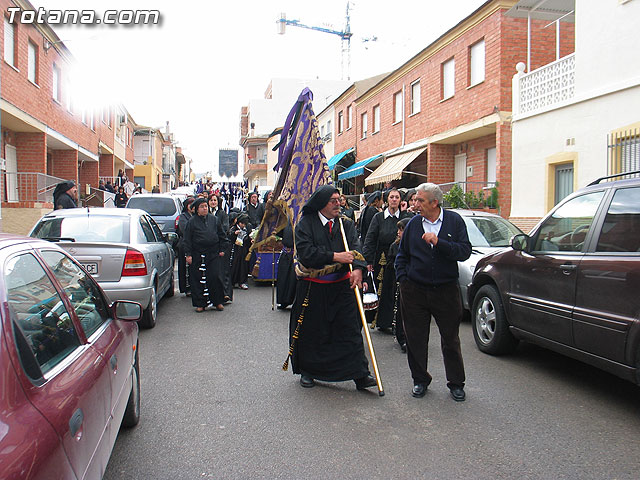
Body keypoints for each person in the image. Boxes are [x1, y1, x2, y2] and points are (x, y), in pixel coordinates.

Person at [289, 185, 376, 391]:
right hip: (314, 288)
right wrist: (335, 256)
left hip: (342, 287)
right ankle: (308, 371)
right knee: (314, 332)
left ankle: (359, 373)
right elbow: (306, 254)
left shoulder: (345, 224)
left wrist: (357, 269)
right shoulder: (305, 225)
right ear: (321, 204)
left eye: (339, 200)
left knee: (350, 330)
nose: (339, 204)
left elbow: (356, 248)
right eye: (333, 201)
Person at [395, 183, 471, 401]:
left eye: (420, 200)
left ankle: (456, 383)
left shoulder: (454, 222)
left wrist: (440, 243)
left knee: (450, 338)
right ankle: (420, 380)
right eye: (415, 199)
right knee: (416, 338)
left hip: (446, 291)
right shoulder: (412, 225)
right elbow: (402, 256)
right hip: (415, 291)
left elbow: (464, 251)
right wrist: (403, 280)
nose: (415, 204)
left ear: (434, 202)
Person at [363, 188, 410, 333]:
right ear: (387, 199)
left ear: (400, 200)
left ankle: (396, 322)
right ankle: (382, 321)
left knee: (395, 291)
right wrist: (368, 260)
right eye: (391, 197)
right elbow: (370, 239)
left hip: (400, 258)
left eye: (397, 197)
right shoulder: (378, 217)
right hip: (381, 259)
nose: (394, 200)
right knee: (381, 290)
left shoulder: (405, 217)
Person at [183, 198, 229, 312]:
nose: (205, 208)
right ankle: (200, 303)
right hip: (197, 253)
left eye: (206, 206)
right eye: (202, 207)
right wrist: (188, 255)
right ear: (197, 209)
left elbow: (222, 235)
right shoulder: (192, 222)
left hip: (213, 253)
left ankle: (217, 301)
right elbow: (187, 239)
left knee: (214, 277)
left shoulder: (214, 219)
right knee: (197, 279)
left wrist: (223, 249)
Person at [387, 217, 410, 352]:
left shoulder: (413, 244)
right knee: (400, 310)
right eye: (398, 229)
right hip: (398, 281)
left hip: (411, 281)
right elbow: (390, 262)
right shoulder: (394, 246)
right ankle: (401, 337)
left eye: (401, 230)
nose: (398, 232)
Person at [177, 197, 195, 296]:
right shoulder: (183, 217)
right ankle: (187, 287)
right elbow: (185, 230)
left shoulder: (197, 216)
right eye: (190, 204)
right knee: (185, 268)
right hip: (185, 245)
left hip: (196, 245)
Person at [228, 214, 252, 290]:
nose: (243, 225)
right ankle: (232, 282)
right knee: (235, 265)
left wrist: (250, 239)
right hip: (235, 250)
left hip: (244, 249)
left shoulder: (247, 228)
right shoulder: (233, 228)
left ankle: (242, 282)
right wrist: (234, 234)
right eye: (242, 223)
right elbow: (229, 237)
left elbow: (248, 238)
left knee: (243, 266)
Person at [276, 224, 296, 309]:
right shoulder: (285, 220)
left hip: (296, 255)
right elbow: (278, 232)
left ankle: (295, 301)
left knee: (293, 280)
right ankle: (283, 301)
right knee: (283, 278)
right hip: (286, 253)